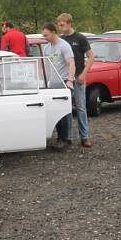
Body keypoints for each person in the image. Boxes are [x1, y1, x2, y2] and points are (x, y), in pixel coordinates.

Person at [57, 13, 94, 148]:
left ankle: (84, 136)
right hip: (66, 79)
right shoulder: (60, 41)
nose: (60, 27)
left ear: (69, 23)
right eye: (59, 25)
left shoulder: (80, 38)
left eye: (62, 25)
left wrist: (84, 74)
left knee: (81, 108)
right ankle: (67, 137)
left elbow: (91, 57)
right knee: (65, 108)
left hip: (78, 77)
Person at [42, 22, 75, 149]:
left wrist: (70, 80)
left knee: (64, 112)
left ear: (53, 32)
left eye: (46, 35)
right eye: (43, 36)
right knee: (54, 111)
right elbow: (45, 66)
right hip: (53, 84)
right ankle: (59, 137)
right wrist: (44, 80)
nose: (45, 38)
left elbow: (71, 63)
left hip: (64, 82)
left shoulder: (64, 46)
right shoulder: (46, 48)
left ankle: (65, 138)